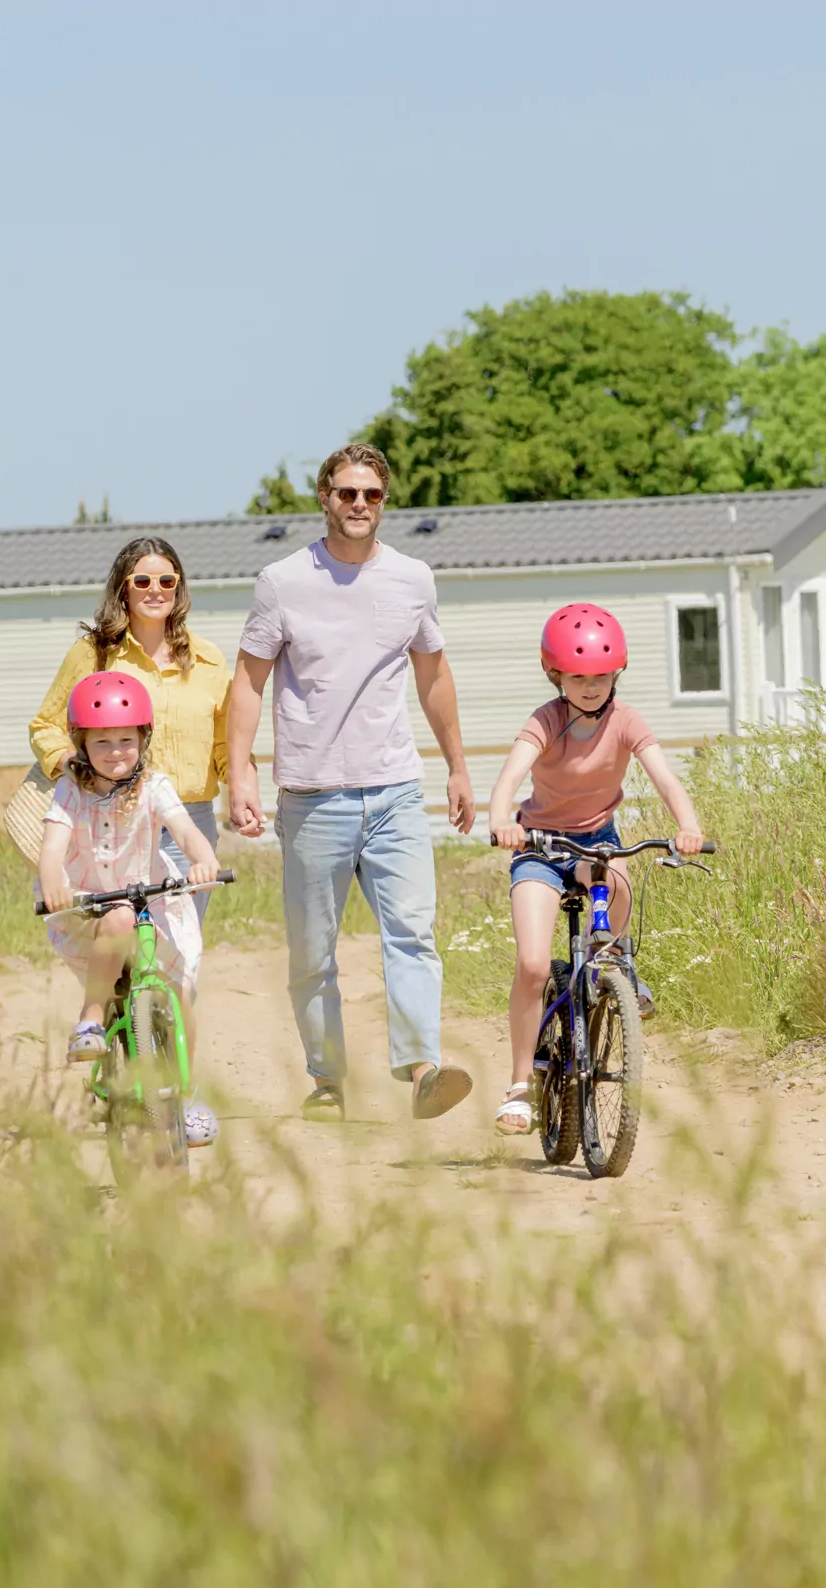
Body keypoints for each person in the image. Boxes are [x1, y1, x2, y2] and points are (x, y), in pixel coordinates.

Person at [225, 442, 477, 1120]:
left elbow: (433, 674)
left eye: (371, 494)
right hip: (312, 795)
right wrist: (239, 772)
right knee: (313, 954)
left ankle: (423, 1066)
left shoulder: (413, 579)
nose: (359, 505)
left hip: (394, 788)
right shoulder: (283, 581)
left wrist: (455, 764)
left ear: (384, 501)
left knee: (413, 933)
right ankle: (327, 1080)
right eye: (346, 493)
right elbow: (248, 682)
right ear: (325, 498)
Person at [485, 604, 703, 1137]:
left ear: (616, 674)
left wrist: (688, 826)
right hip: (538, 846)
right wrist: (500, 821)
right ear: (555, 674)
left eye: (602, 676)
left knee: (621, 878)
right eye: (579, 677)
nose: (590, 686)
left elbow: (667, 780)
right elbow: (509, 778)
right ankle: (519, 1087)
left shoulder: (627, 721)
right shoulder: (546, 721)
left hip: (595, 845)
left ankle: (614, 970)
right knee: (535, 965)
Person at [37, 672, 221, 1114]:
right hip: (88, 906)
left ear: (144, 738)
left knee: (178, 996)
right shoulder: (70, 791)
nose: (116, 752)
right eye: (101, 743)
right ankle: (92, 1017)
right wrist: (54, 887)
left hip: (153, 902)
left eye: (125, 739)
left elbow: (184, 830)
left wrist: (202, 860)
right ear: (81, 745)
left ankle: (187, 1094)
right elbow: (51, 849)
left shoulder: (154, 786)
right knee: (117, 917)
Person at [28, 536, 232, 918]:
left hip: (190, 819)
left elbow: (225, 741)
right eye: (142, 581)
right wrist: (76, 767)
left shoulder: (208, 659)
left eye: (166, 581)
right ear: (123, 589)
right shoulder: (94, 653)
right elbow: (45, 725)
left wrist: (241, 790)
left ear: (179, 587)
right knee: (121, 938)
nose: (155, 590)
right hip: (115, 819)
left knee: (178, 946)